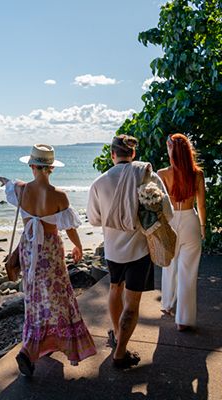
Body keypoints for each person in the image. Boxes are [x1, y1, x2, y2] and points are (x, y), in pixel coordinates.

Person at [0, 144, 96, 377]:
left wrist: (2, 179)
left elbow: (10, 183)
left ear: (32, 166)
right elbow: (68, 227)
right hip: (50, 249)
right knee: (58, 296)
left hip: (29, 249)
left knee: (35, 298)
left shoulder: (19, 190)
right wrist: (78, 246)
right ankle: (36, 347)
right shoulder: (59, 195)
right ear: (51, 168)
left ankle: (37, 342)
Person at [87, 135, 173, 369]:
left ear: (112, 154)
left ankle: (116, 335)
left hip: (113, 250)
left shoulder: (99, 182)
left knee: (115, 288)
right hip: (139, 250)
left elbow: (94, 219)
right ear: (133, 154)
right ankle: (120, 352)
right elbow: (168, 212)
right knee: (132, 304)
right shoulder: (147, 175)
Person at [157, 133, 206, 332]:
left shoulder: (162, 174)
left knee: (169, 265)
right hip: (190, 220)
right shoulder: (198, 174)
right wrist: (203, 227)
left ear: (172, 150)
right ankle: (183, 320)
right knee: (188, 272)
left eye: (168, 146)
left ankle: (167, 305)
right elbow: (201, 205)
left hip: (171, 221)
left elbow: (159, 205)